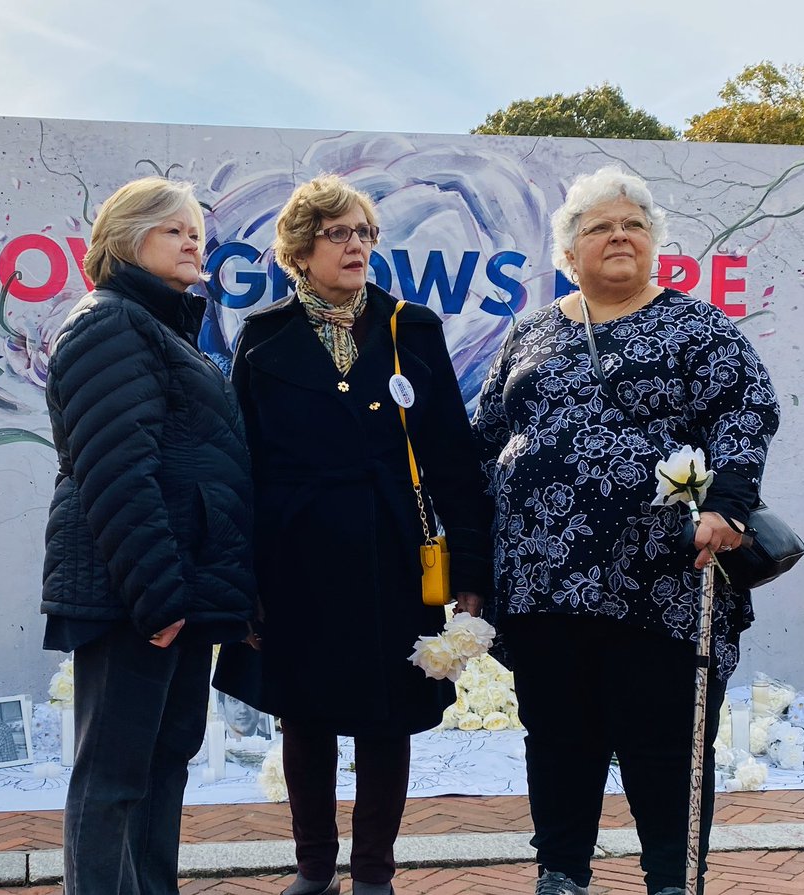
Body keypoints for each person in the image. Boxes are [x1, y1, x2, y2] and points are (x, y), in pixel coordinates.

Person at [472, 166, 781, 895]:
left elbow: (746, 411)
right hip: (543, 578)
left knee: (665, 743)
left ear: (654, 244)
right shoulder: (530, 332)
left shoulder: (697, 327)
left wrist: (727, 505)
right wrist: (474, 565)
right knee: (558, 739)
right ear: (567, 252)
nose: (618, 235)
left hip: (661, 577)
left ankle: (672, 879)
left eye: (633, 225)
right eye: (598, 227)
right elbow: (481, 440)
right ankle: (561, 873)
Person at [215, 174, 492, 895]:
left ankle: (373, 870)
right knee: (304, 719)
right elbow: (238, 465)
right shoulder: (265, 335)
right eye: (339, 233)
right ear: (300, 250)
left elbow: (453, 459)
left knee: (385, 718)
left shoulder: (413, 328)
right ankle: (314, 868)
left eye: (365, 233)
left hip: (390, 553)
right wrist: (240, 580)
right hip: (292, 557)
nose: (357, 245)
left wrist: (470, 572)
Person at [40, 176, 257, 895]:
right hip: (137, 595)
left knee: (161, 766)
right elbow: (116, 472)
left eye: (196, 227)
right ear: (126, 241)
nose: (193, 239)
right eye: (173, 229)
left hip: (175, 592)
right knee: (113, 775)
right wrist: (157, 596)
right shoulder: (107, 323)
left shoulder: (163, 331)